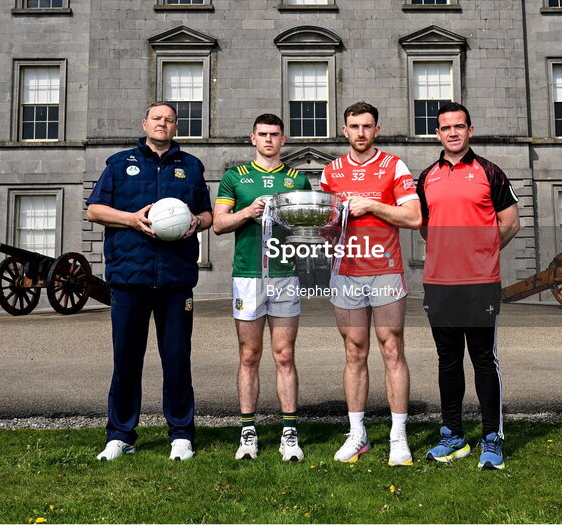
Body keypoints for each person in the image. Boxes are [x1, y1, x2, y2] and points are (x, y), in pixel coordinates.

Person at [86, 102, 213, 462]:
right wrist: (130, 219)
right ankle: (121, 435)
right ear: (144, 123)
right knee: (126, 360)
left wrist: (197, 223)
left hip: (175, 280)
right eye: (156, 118)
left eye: (169, 120)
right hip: (129, 278)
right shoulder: (119, 163)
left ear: (176, 127)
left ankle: (182, 435)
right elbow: (94, 210)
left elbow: (206, 212)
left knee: (177, 359)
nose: (162, 124)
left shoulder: (190, 166)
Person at [416, 102, 520, 470]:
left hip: (480, 283)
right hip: (439, 284)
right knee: (447, 362)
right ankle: (454, 437)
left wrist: (483, 250)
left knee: (483, 361)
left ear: (470, 130)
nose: (453, 133)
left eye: (459, 126)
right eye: (446, 128)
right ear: (438, 134)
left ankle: (492, 439)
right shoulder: (426, 176)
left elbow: (511, 222)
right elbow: (424, 225)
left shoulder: (490, 172)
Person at [319, 101, 422, 466]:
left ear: (377, 129)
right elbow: (326, 227)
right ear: (343, 130)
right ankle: (358, 434)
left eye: (366, 126)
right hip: (345, 273)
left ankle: (398, 437)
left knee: (391, 349)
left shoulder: (394, 165)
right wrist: (327, 228)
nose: (360, 132)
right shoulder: (331, 172)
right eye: (353, 126)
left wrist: (372, 206)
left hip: (385, 270)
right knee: (354, 352)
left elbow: (413, 216)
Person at [213, 113, 312, 461]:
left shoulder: (298, 180)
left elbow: (309, 231)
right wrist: (247, 213)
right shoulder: (234, 178)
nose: (269, 140)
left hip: (285, 274)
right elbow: (218, 224)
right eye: (262, 134)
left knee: (284, 355)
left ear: (284, 139)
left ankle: (289, 434)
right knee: (249, 355)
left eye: (275, 134)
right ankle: (248, 433)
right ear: (252, 138)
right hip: (248, 275)